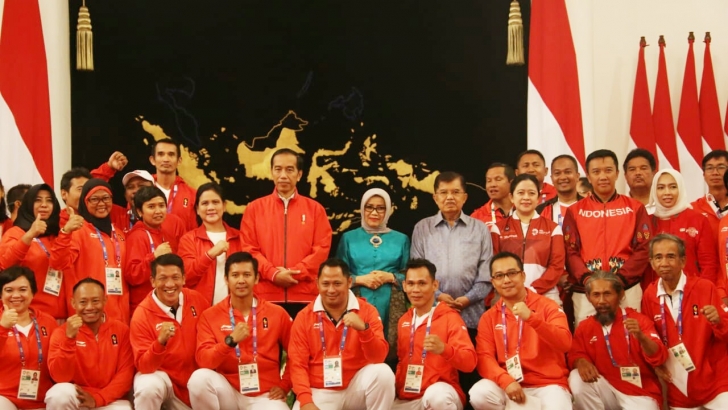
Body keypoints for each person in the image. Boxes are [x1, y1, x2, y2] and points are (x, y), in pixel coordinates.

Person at [411, 171, 492, 403]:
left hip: (472, 315)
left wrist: (467, 299)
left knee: (471, 379)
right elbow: (416, 271)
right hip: (434, 316)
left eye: (456, 192)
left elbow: (487, 276)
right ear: (435, 197)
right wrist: (437, 296)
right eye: (444, 193)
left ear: (465, 197)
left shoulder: (480, 229)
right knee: (439, 379)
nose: (449, 197)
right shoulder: (422, 228)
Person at [469, 252, 572, 410]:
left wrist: (532, 318)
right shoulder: (489, 317)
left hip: (548, 385)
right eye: (499, 276)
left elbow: (565, 343)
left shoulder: (548, 306)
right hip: (509, 384)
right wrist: (506, 381)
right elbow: (484, 358)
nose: (506, 280)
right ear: (493, 282)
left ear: (523, 276)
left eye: (512, 273)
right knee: (479, 393)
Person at [189, 252, 292, 410]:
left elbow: (297, 353)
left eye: (247, 275)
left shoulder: (276, 313)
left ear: (256, 278)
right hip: (229, 392)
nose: (241, 280)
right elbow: (204, 360)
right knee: (199, 379)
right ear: (226, 279)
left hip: (265, 395)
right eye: (235, 275)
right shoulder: (210, 315)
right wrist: (229, 341)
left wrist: (285, 385)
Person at [288, 258, 395, 410]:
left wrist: (364, 330)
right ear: (317, 283)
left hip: (356, 387)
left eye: (337, 283)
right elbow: (298, 364)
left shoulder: (367, 311)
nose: (331, 290)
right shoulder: (304, 317)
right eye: (326, 284)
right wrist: (306, 401)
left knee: (383, 373)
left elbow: (378, 358)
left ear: (349, 282)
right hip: (320, 390)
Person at [562, 149, 652, 325]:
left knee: (630, 336)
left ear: (617, 173)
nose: (603, 176)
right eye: (596, 172)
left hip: (627, 288)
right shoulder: (574, 211)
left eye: (608, 170)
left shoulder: (635, 208)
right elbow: (570, 251)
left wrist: (620, 279)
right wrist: (588, 280)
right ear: (588, 176)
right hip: (587, 290)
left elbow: (644, 248)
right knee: (587, 338)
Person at [241, 148, 332, 318]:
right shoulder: (254, 209)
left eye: (290, 170)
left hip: (305, 297)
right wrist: (273, 274)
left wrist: (295, 273)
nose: (283, 175)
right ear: (271, 172)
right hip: (265, 296)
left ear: (299, 174)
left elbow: (321, 250)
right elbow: (249, 249)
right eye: (278, 169)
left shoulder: (315, 210)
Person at [641, 234, 728, 409]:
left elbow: (725, 333)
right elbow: (652, 338)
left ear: (683, 261)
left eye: (670, 256)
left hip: (715, 383)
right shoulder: (649, 295)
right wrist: (656, 366)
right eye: (658, 257)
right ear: (652, 263)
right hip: (679, 388)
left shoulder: (705, 287)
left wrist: (719, 321)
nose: (664, 263)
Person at [568, 271, 666, 410]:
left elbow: (659, 356)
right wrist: (580, 361)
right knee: (576, 377)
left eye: (607, 294)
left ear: (620, 295)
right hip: (605, 389)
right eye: (596, 295)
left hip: (639, 393)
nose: (602, 301)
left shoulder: (638, 320)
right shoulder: (584, 327)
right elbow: (576, 353)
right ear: (588, 297)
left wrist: (642, 338)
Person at [392, 259, 476, 410]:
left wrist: (444, 349)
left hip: (441, 394)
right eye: (411, 284)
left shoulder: (450, 317)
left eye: (422, 283)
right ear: (404, 286)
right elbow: (401, 361)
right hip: (407, 398)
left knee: (437, 396)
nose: (415, 289)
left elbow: (470, 363)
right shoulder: (404, 320)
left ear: (435, 285)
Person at [129, 254, 209, 410]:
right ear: (153, 281)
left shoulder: (197, 300)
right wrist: (160, 343)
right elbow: (144, 366)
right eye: (163, 278)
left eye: (175, 277)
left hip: (196, 383)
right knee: (147, 386)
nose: (170, 284)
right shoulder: (142, 314)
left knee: (206, 378)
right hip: (166, 384)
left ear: (184, 279)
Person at [336, 187, 410, 352]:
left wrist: (389, 277)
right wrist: (359, 279)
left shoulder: (401, 239)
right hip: (357, 299)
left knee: (391, 348)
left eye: (381, 208)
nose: (374, 212)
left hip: (391, 302)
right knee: (358, 345)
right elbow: (338, 274)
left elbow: (409, 276)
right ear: (362, 209)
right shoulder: (348, 238)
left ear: (388, 210)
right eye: (369, 207)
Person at [45, 278, 134, 410]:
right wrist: (69, 340)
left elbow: (125, 375)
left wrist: (98, 399)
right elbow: (59, 377)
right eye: (83, 302)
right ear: (73, 303)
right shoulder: (61, 332)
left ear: (105, 300)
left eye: (95, 301)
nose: (90, 307)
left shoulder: (121, 330)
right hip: (77, 398)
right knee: (58, 394)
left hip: (110, 400)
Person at [51, 179, 129, 324]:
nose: (101, 203)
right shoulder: (78, 231)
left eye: (106, 198)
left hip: (120, 317)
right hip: (88, 315)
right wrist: (66, 232)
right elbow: (58, 263)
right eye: (94, 199)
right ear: (85, 202)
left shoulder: (119, 235)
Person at [491, 174, 565, 305]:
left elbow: (557, 266)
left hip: (546, 296)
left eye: (531, 193)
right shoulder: (498, 229)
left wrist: (533, 290)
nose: (526, 197)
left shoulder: (553, 228)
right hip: (509, 296)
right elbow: (494, 266)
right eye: (520, 193)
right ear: (511, 197)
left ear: (538, 198)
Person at [0, 184, 66, 320]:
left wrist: (66, 233)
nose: (44, 205)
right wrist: (30, 235)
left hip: (65, 316)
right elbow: (4, 266)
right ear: (28, 203)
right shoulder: (15, 233)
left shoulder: (60, 234)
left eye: (49, 200)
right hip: (31, 316)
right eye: (37, 200)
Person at [646, 169, 718, 290]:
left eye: (673, 187)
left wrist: (704, 291)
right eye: (661, 188)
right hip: (656, 292)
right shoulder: (647, 222)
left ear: (680, 188)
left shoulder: (697, 219)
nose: (667, 192)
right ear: (654, 191)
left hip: (693, 290)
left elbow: (709, 263)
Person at [0, 266, 58, 409]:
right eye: (9, 290)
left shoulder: (48, 322)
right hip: (5, 398)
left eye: (23, 289)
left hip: (43, 399)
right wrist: (3, 328)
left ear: (33, 293)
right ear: (0, 295)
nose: (16, 295)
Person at [178, 182, 243, 305]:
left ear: (224, 206)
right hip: (200, 309)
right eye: (205, 203)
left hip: (235, 308)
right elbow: (186, 277)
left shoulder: (239, 237)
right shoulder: (189, 239)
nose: (211, 207)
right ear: (197, 209)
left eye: (215, 202)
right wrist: (210, 254)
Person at [125, 186, 187, 313]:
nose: (158, 211)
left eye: (161, 205)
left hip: (165, 304)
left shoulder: (166, 234)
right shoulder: (137, 236)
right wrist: (154, 256)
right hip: (145, 308)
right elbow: (132, 275)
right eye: (151, 206)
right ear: (139, 211)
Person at [58, 152, 129, 227]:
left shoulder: (105, 211)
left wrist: (109, 167)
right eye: (80, 189)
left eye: (87, 189)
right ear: (64, 194)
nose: (86, 193)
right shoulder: (56, 222)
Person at [149, 138, 198, 231]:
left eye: (171, 154)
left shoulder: (192, 194)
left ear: (179, 160)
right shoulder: (142, 190)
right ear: (153, 160)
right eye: (161, 154)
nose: (166, 159)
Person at [536, 155, 584, 226]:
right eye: (557, 173)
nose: (563, 177)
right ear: (552, 178)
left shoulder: (591, 208)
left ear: (577, 176)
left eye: (567, 172)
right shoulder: (540, 210)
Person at [691, 149, 728, 238]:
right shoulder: (693, 209)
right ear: (704, 174)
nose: (715, 173)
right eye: (709, 168)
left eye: (721, 167)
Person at [471, 163, 515, 228]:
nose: (492, 185)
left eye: (498, 179)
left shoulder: (525, 208)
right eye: (489, 181)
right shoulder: (477, 217)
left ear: (512, 183)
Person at [623, 149, 657, 214]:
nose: (638, 173)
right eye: (632, 169)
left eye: (643, 168)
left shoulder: (665, 204)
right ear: (625, 176)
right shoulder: (618, 207)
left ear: (654, 173)